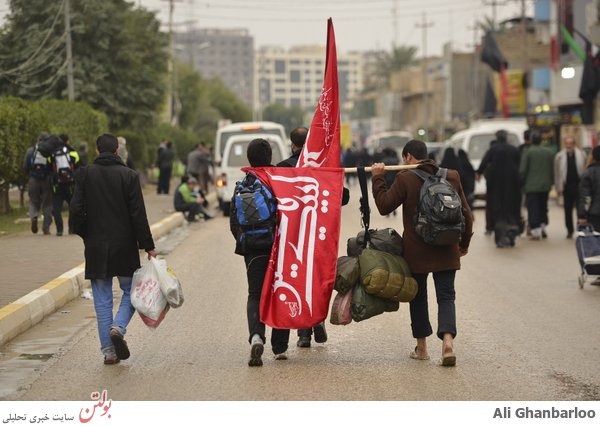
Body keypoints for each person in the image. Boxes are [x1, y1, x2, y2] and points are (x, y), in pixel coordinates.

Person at [370, 139, 473, 367]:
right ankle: (447, 342)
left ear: (407, 157)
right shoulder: (452, 176)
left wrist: (377, 177)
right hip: (447, 248)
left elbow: (384, 205)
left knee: (418, 297)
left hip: (417, 252)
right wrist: (463, 244)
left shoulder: (405, 178)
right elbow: (467, 215)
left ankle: (422, 348)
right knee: (446, 296)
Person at [70, 133, 157, 365]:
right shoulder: (129, 176)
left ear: (97, 151)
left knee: (102, 300)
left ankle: (109, 352)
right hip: (124, 246)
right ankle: (118, 327)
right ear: (117, 151)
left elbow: (76, 211)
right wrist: (148, 245)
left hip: (96, 247)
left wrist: (86, 234)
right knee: (131, 291)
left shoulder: (84, 175)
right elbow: (138, 214)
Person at [231, 138, 290, 366]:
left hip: (253, 248)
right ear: (269, 156)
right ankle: (280, 347)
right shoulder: (279, 180)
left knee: (255, 293)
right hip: (278, 245)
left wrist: (245, 241)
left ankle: (256, 336)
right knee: (280, 291)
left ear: (249, 158)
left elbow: (234, 221)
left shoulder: (243, 183)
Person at [276, 126, 328, 348]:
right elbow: (342, 196)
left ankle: (304, 334)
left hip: (292, 236)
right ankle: (317, 321)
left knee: (297, 280)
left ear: (292, 144)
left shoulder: (281, 169)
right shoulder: (323, 168)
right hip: (317, 234)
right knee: (315, 279)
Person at [476, 130, 522, 247]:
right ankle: (512, 232)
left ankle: (500, 237)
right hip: (512, 185)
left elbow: (484, 163)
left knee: (498, 210)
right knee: (511, 209)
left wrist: (479, 173)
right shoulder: (513, 149)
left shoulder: (493, 149)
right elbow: (519, 165)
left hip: (496, 185)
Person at [520, 130, 555, 241]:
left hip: (531, 186)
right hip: (545, 185)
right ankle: (543, 226)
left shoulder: (528, 152)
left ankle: (536, 231)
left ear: (531, 140)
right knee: (543, 207)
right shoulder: (549, 152)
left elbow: (523, 170)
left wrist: (521, 182)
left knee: (533, 208)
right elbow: (552, 169)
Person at [554, 136, 586, 239]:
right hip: (567, 187)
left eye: (571, 143)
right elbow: (557, 173)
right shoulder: (559, 156)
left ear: (574, 144)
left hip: (579, 186)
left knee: (580, 210)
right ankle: (569, 230)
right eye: (567, 144)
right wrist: (558, 187)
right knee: (567, 210)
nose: (569, 146)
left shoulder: (581, 155)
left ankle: (579, 229)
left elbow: (584, 170)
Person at [22, 132, 53, 235]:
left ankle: (34, 216)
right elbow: (53, 166)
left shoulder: (30, 151)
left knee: (33, 201)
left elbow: (25, 166)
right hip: (46, 180)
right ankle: (46, 227)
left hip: (33, 179)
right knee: (47, 203)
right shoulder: (49, 151)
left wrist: (31, 175)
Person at [49, 134, 80, 236]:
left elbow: (49, 166)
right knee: (72, 205)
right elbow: (78, 163)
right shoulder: (72, 152)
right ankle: (71, 228)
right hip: (69, 184)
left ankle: (59, 229)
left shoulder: (52, 153)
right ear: (67, 141)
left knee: (57, 208)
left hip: (57, 184)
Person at [578, 145, 600, 232]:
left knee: (595, 241)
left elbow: (586, 197)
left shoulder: (588, 173)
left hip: (595, 213)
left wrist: (582, 215)